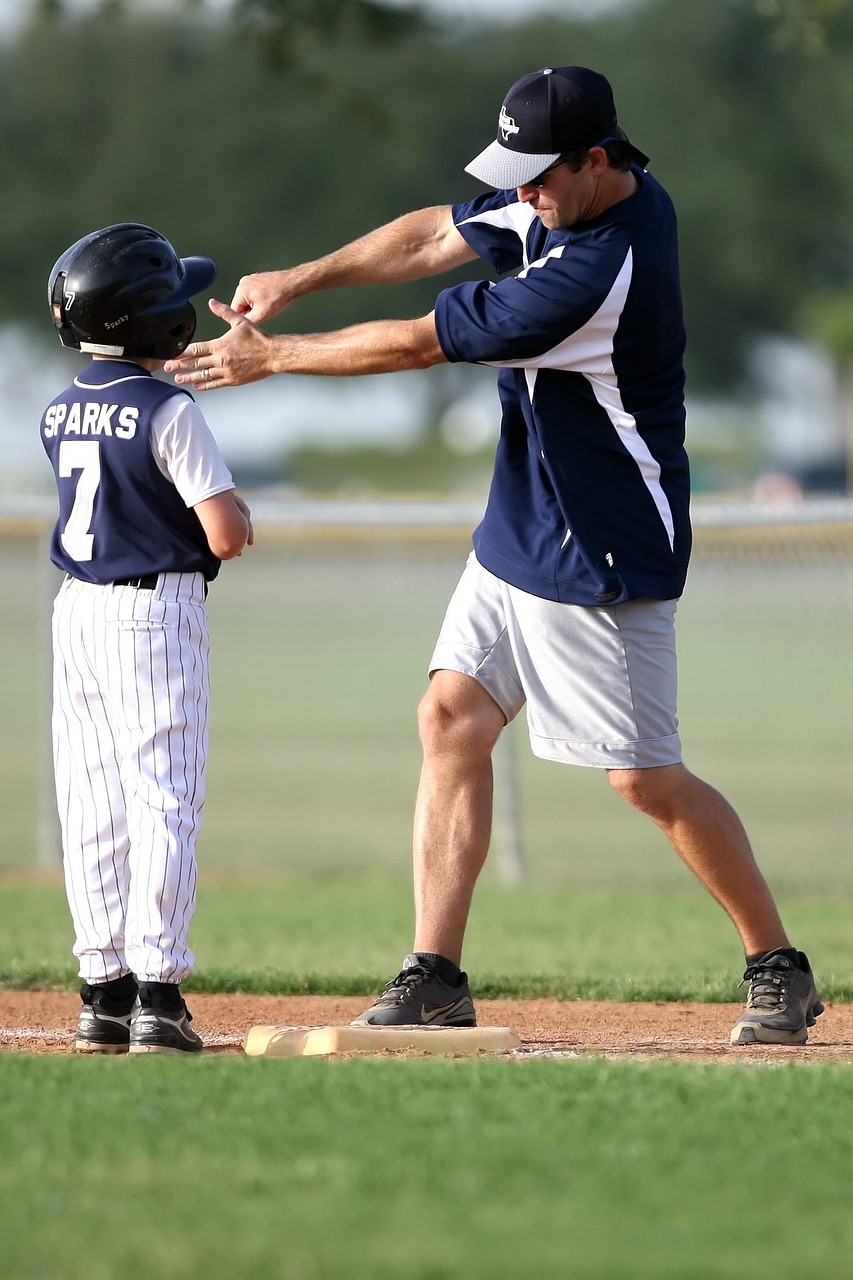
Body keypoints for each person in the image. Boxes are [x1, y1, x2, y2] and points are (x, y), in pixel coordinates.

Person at [165, 66, 821, 1047]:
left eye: (539, 175)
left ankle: (778, 965)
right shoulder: (564, 201)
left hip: (602, 546)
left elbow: (418, 346)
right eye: (511, 174)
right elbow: (437, 232)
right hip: (521, 524)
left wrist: (276, 356)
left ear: (596, 161)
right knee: (449, 714)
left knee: (641, 776)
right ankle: (434, 973)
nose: (521, 194)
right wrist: (299, 278)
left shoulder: (596, 272)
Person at [42, 223, 253, 1054]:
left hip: (78, 612)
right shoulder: (169, 408)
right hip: (152, 616)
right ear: (158, 325)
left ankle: (102, 992)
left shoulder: (61, 408)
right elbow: (225, 532)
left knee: (92, 802)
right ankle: (159, 997)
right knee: (163, 796)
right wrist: (239, 517)